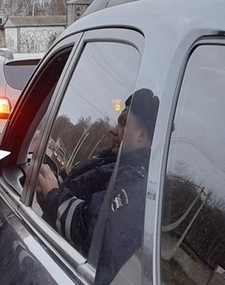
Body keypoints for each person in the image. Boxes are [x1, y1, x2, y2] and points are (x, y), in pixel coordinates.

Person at [36, 92, 155, 267]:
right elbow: (81, 199)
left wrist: (53, 195)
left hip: (61, 272)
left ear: (141, 136)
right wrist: (51, 188)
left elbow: (88, 230)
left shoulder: (134, 183)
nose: (113, 129)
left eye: (123, 123)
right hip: (51, 260)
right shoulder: (114, 164)